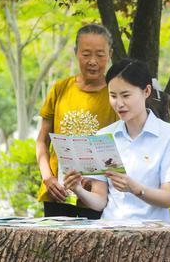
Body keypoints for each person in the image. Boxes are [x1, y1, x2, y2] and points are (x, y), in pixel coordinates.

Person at [62, 59, 170, 222]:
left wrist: (136, 189)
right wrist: (78, 189)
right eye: (113, 96)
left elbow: (167, 198)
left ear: (146, 91)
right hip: (111, 229)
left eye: (126, 95)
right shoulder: (103, 136)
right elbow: (100, 202)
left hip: (153, 231)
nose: (119, 103)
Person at [35, 23, 118, 218]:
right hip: (58, 192)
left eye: (100, 54)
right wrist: (47, 178)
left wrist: (96, 181)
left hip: (96, 196)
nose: (93, 61)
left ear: (110, 54)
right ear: (76, 53)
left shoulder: (115, 95)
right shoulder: (60, 89)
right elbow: (42, 141)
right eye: (86, 54)